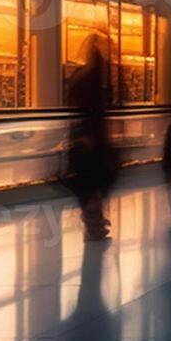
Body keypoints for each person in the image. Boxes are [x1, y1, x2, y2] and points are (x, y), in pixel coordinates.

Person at [64, 33, 119, 241]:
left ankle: (94, 223)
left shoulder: (80, 77)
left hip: (84, 142)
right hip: (94, 142)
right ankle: (95, 223)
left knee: (90, 186)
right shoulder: (99, 81)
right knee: (97, 183)